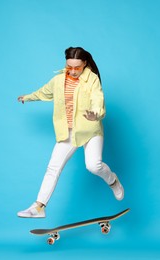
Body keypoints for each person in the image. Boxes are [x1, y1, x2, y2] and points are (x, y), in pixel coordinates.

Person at [17, 47, 124, 218]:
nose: (73, 71)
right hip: (68, 132)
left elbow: (98, 98)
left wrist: (95, 113)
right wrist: (27, 97)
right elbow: (44, 92)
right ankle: (38, 207)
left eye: (77, 68)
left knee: (93, 166)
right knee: (53, 167)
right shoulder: (58, 80)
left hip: (90, 129)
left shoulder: (92, 79)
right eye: (69, 67)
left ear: (85, 65)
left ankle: (113, 180)